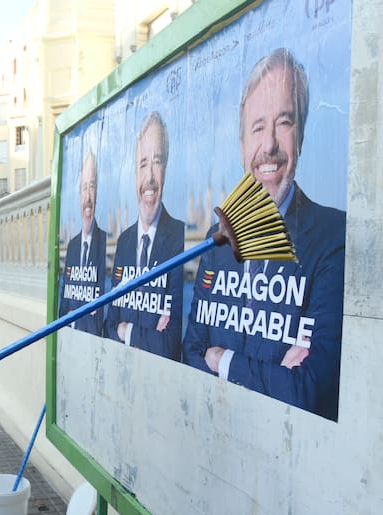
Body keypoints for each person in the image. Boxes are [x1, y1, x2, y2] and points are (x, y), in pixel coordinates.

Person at [182, 48, 346, 421]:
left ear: (300, 134)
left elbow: (306, 389)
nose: (269, 144)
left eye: (284, 122)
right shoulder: (218, 240)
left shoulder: (332, 238)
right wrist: (272, 374)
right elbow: (191, 352)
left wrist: (223, 359)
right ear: (242, 147)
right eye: (258, 127)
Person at [103, 112, 185, 360]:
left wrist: (125, 329)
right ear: (135, 173)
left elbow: (170, 342)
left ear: (166, 168)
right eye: (143, 164)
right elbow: (109, 326)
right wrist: (142, 333)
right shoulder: (124, 241)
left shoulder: (179, 238)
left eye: (157, 162)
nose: (149, 177)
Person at [58, 149, 108, 334]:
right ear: (79, 193)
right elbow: (63, 310)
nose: (88, 197)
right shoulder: (72, 247)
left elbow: (102, 314)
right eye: (84, 188)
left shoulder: (105, 242)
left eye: (92, 186)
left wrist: (76, 317)